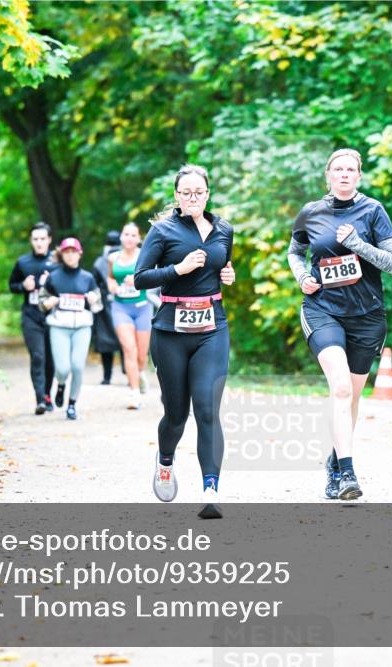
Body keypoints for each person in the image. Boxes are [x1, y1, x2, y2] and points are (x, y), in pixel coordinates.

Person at [287, 148, 392, 501]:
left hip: (366, 316)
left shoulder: (373, 211)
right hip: (323, 309)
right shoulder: (311, 212)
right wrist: (302, 275)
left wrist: (357, 244)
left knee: (350, 396)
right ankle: (349, 473)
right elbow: (294, 252)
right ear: (328, 175)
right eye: (338, 169)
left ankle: (335, 463)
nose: (344, 174)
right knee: (339, 388)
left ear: (359, 176)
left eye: (351, 169)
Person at [135, 164, 235, 519]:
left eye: (199, 192)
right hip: (171, 332)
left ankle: (211, 489)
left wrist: (228, 273)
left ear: (207, 194)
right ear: (177, 196)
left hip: (212, 328)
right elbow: (140, 279)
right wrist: (178, 270)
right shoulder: (163, 231)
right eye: (186, 192)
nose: (193, 198)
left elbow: (223, 267)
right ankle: (165, 462)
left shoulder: (224, 228)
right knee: (176, 415)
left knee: (208, 409)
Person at [41, 237, 103, 420]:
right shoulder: (54, 277)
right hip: (59, 326)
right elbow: (41, 301)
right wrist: (47, 303)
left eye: (73, 252)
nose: (70, 255)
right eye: (66, 252)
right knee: (62, 368)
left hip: (82, 326)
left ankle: (72, 404)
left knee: (77, 366)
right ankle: (60, 385)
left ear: (79, 254)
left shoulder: (88, 278)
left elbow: (98, 305)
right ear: (62, 254)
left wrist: (93, 301)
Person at [8, 223, 58, 414]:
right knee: (38, 356)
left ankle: (47, 394)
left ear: (49, 240)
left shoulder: (56, 262)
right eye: (35, 239)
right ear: (31, 241)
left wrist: (50, 283)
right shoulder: (23, 263)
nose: (39, 243)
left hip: (53, 317)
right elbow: (11, 285)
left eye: (42, 239)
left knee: (50, 359)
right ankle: (40, 400)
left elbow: (66, 286)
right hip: (31, 316)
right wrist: (23, 286)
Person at [108, 222, 154, 409]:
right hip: (121, 308)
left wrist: (136, 280)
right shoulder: (113, 257)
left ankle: (140, 372)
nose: (129, 238)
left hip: (142, 308)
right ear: (121, 237)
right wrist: (113, 286)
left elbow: (153, 279)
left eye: (133, 235)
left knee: (141, 355)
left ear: (139, 239)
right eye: (126, 234)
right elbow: (110, 277)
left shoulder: (145, 257)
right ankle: (134, 393)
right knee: (129, 349)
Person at [90, 230, 124, 385]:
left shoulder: (99, 262)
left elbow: (94, 285)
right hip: (124, 302)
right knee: (126, 339)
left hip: (104, 306)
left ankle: (107, 376)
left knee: (106, 342)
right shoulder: (126, 257)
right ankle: (128, 371)